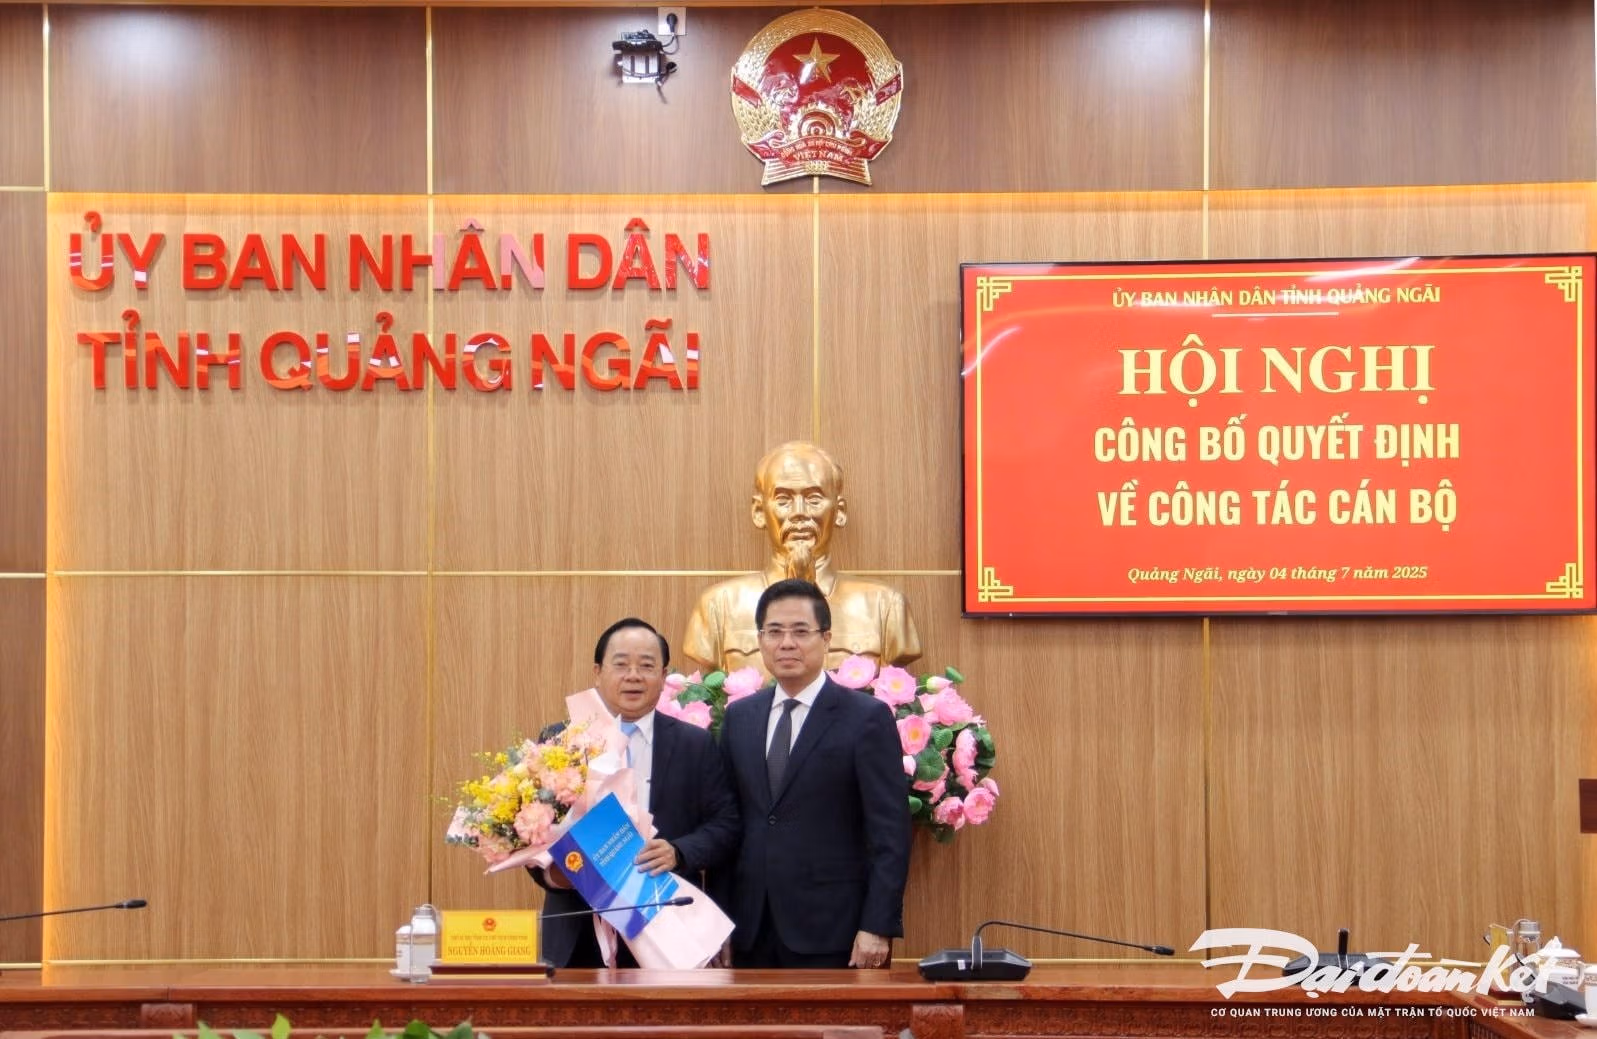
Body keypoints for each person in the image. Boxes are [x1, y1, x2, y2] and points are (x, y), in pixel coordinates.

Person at [718, 579, 911, 968]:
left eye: (800, 631)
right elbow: (729, 825)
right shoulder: (739, 717)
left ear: (826, 639)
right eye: (774, 632)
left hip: (834, 929)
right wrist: (719, 925)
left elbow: (890, 832)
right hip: (750, 928)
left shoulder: (866, 718)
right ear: (760, 640)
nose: (786, 643)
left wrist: (877, 925)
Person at [530, 618, 740, 969]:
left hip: (665, 927)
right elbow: (532, 829)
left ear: (664, 675)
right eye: (621, 664)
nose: (633, 676)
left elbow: (726, 825)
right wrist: (555, 874)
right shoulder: (560, 741)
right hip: (577, 927)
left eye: (646, 666)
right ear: (598, 672)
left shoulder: (695, 744)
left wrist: (679, 851)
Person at [683, 441, 921, 677]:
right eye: (783, 500)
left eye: (814, 499)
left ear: (839, 511)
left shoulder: (885, 606)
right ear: (759, 512)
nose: (799, 512)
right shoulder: (718, 605)